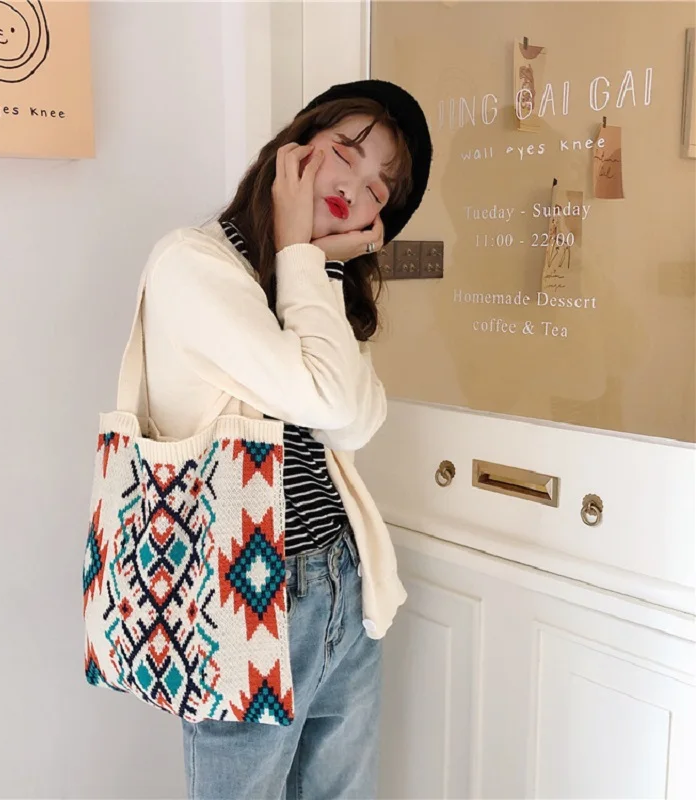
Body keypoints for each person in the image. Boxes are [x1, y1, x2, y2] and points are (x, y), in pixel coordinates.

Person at [139, 79, 431, 799]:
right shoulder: (194, 265)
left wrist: (315, 264)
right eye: (346, 152)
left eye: (380, 189)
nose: (356, 187)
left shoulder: (316, 284)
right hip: (244, 598)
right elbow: (327, 397)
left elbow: (355, 421)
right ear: (295, 149)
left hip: (343, 587)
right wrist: (307, 255)